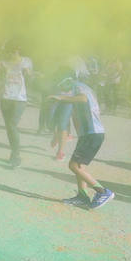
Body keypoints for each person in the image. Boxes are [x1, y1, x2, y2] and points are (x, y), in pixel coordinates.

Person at [50, 76, 114, 210]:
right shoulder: (76, 91)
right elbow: (73, 116)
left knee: (74, 166)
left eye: (61, 88)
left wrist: (61, 98)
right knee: (80, 167)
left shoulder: (78, 87)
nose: (61, 91)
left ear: (67, 80)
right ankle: (82, 196)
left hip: (93, 134)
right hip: (88, 135)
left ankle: (103, 192)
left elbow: (83, 99)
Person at [0, 45, 33, 166]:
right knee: (9, 127)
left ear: (19, 50)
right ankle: (14, 151)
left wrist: (28, 73)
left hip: (19, 99)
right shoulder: (3, 63)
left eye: (14, 50)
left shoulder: (26, 61)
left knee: (12, 125)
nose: (12, 53)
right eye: (9, 51)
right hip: (5, 97)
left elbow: (31, 78)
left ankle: (16, 155)